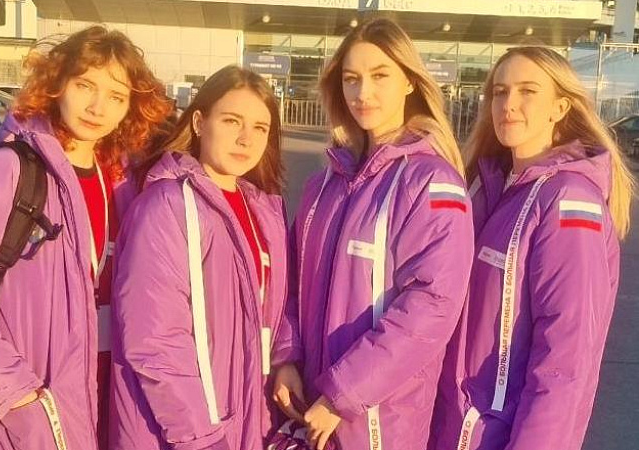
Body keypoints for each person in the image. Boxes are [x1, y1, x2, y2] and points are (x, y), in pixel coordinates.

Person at [0, 25, 169, 450]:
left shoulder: (123, 184)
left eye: (116, 96)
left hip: (111, 400)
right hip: (27, 409)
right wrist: (17, 395)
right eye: (85, 85)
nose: (98, 107)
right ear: (57, 83)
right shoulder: (3, 173)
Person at [271, 18, 474, 450]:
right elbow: (289, 280)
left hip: (379, 422)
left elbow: (432, 305)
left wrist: (342, 394)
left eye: (380, 75)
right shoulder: (324, 184)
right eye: (351, 79)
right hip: (311, 410)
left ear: (409, 82)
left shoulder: (432, 182)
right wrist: (286, 356)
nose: (363, 92)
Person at [428, 46, 635, 450]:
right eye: (500, 92)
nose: (509, 104)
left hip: (502, 436)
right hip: (454, 428)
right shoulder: (486, 189)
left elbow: (566, 359)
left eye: (527, 91)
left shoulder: (569, 202)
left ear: (560, 107)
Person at [109, 65, 288, 450]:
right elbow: (155, 340)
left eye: (260, 127)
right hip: (182, 433)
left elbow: (277, 309)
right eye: (232, 121)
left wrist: (287, 360)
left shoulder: (263, 212)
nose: (246, 138)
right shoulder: (167, 206)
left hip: (247, 422)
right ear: (199, 122)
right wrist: (201, 440)